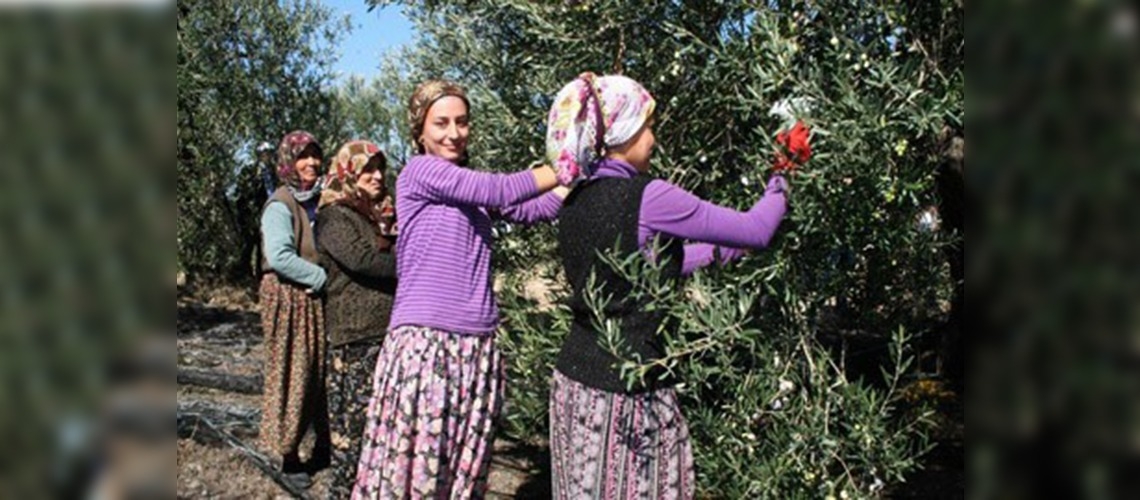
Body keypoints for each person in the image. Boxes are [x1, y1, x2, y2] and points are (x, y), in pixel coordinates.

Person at [545, 73, 806, 499]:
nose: (654, 137)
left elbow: (647, 271)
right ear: (623, 131)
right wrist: (784, 171)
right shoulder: (650, 197)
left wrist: (727, 250)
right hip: (628, 394)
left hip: (576, 387)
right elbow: (757, 229)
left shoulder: (574, 200)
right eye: (648, 126)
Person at [352, 80, 572, 499]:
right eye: (441, 123)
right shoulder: (420, 172)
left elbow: (534, 208)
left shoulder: (467, 187)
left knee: (459, 475)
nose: (454, 132)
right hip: (427, 346)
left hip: (477, 347)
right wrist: (564, 163)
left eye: (462, 122)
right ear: (419, 131)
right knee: (413, 474)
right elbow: (501, 189)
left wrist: (577, 178)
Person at [314, 140, 399, 499]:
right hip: (355, 340)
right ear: (349, 173)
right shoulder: (335, 216)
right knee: (353, 439)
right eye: (367, 169)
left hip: (385, 336)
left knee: (383, 437)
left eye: (380, 168)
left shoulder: (378, 214)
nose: (377, 176)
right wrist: (422, 261)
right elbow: (365, 262)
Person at [258, 130, 330, 488]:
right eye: (303, 156)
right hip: (288, 298)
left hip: (308, 295)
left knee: (317, 373)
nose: (311, 163)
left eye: (315, 155)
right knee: (292, 372)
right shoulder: (280, 203)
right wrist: (322, 278)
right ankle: (288, 456)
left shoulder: (316, 200)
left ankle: (322, 446)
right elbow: (280, 256)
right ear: (288, 161)